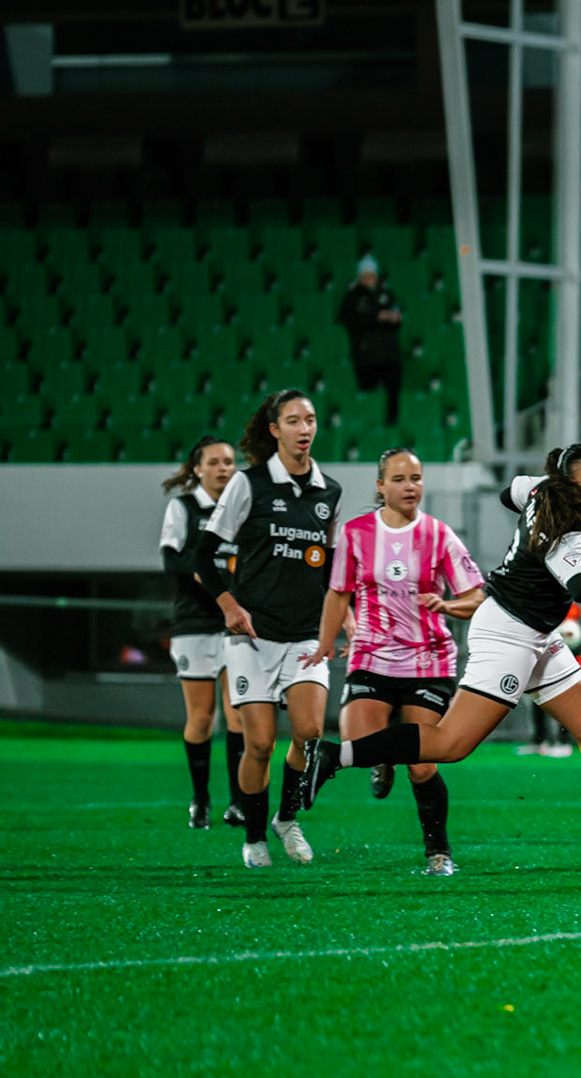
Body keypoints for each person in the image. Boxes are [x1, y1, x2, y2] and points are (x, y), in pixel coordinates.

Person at [301, 444, 581, 870]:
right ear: (567, 486)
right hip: (508, 634)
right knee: (450, 744)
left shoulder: (541, 489)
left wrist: (539, 496)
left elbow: (508, 493)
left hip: (533, 631)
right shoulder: (571, 533)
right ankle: (330, 756)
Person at [305, 448, 485, 875]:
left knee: (423, 767)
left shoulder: (439, 534)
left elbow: (476, 596)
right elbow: (337, 594)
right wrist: (323, 644)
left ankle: (438, 852)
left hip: (429, 660)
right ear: (380, 485)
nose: (410, 487)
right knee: (356, 739)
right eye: (401, 479)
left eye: (417, 478)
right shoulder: (356, 533)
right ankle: (382, 755)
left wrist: (446, 604)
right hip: (372, 655)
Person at [199, 389, 344, 869]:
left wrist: (345, 620)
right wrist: (228, 605)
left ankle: (287, 817)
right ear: (274, 430)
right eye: (293, 420)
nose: (305, 429)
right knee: (259, 743)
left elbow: (331, 571)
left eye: (311, 419)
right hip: (252, 637)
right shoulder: (249, 484)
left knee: (307, 732)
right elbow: (203, 555)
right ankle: (255, 837)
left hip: (304, 635)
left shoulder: (330, 491)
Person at [160, 435, 246, 829]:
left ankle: (239, 801)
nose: (223, 468)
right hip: (194, 622)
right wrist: (204, 576)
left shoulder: (243, 508)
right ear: (198, 468)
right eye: (214, 462)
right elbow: (170, 558)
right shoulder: (185, 507)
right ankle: (200, 799)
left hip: (235, 624)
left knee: (239, 716)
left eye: (229, 461)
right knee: (201, 718)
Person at [338, 255, 403, 426]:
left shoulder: (385, 294)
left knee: (393, 391)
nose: (369, 279)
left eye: (372, 275)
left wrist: (395, 319)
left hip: (388, 353)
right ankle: (369, 428)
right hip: (366, 355)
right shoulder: (353, 297)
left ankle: (392, 424)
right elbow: (349, 321)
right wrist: (376, 317)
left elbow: (396, 317)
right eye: (365, 276)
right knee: (369, 394)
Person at [520, 603, 581, 759]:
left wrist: (566, 646)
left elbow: (580, 641)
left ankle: (563, 742)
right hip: (543, 665)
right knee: (539, 703)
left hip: (567, 666)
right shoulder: (542, 608)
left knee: (566, 706)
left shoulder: (573, 611)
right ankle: (539, 740)